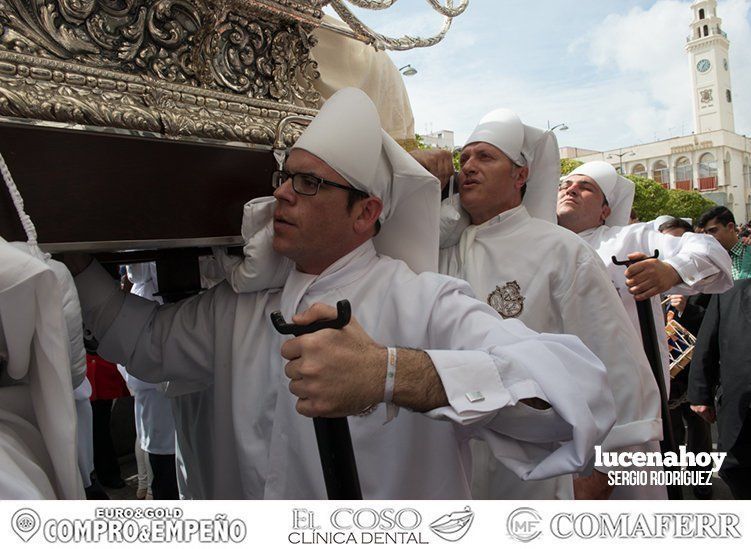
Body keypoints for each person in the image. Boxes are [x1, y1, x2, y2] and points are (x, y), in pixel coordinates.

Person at [65, 88, 615, 499]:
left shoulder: (425, 302)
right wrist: (77, 260)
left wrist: (394, 375)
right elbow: (145, 342)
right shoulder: (242, 306)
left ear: (366, 212)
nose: (282, 193)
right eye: (284, 177)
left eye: (308, 183)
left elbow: (574, 396)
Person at [409, 110, 660, 500]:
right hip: (448, 464)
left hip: (539, 472)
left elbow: (618, 366)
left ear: (520, 175)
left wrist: (603, 470)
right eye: (465, 158)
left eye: (486, 157)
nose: (469, 167)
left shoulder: (561, 250)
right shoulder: (440, 248)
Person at [556, 162, 732, 498]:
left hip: (622, 418)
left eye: (585, 186)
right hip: (554, 416)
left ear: (606, 209)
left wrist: (672, 270)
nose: (571, 189)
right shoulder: (538, 245)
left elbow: (710, 253)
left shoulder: (627, 238)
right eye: (566, 183)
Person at [658, 217, 713, 499]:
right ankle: (672, 490)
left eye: (678, 241)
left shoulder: (707, 276)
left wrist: (684, 310)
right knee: (670, 436)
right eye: (665, 241)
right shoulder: (651, 277)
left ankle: (701, 484)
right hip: (664, 379)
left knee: (699, 435)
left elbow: (712, 328)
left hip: (695, 377)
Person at [689, 279, 751, 499]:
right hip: (738, 413)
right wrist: (700, 394)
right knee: (738, 473)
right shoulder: (729, 292)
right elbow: (707, 343)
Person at [696, 206, 751, 280]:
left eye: (713, 230)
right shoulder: (708, 259)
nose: (709, 237)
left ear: (730, 227)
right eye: (706, 232)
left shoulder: (748, 250)